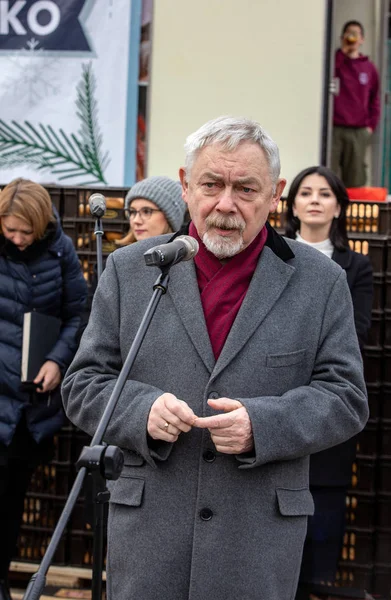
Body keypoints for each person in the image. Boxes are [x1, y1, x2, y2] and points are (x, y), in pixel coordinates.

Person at [62, 116, 368, 600]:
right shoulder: (131, 270)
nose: (225, 204)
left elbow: (346, 398)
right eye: (211, 184)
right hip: (150, 535)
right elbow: (83, 384)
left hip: (256, 540)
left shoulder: (320, 281)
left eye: (246, 189)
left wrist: (262, 425)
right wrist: (141, 411)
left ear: (275, 194)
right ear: (186, 186)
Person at [284, 166, 373, 599]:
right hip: (273, 395)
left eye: (324, 193)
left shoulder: (356, 266)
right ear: (292, 202)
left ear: (339, 205)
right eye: (305, 192)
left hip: (327, 396)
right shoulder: (275, 255)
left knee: (322, 508)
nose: (315, 200)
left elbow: (354, 334)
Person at [0, 178, 87, 600]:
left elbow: (78, 312)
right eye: (9, 229)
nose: (17, 239)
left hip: (30, 404)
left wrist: (57, 359)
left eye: (25, 232)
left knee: (12, 498)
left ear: (41, 225)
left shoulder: (61, 250)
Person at [331, 20, 380, 188]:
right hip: (335, 128)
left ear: (362, 39)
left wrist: (370, 127)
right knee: (328, 173)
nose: (352, 37)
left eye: (356, 34)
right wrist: (343, 52)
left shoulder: (369, 68)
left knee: (355, 179)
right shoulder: (336, 61)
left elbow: (375, 100)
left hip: (359, 131)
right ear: (342, 37)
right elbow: (329, 75)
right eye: (349, 33)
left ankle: (352, 212)